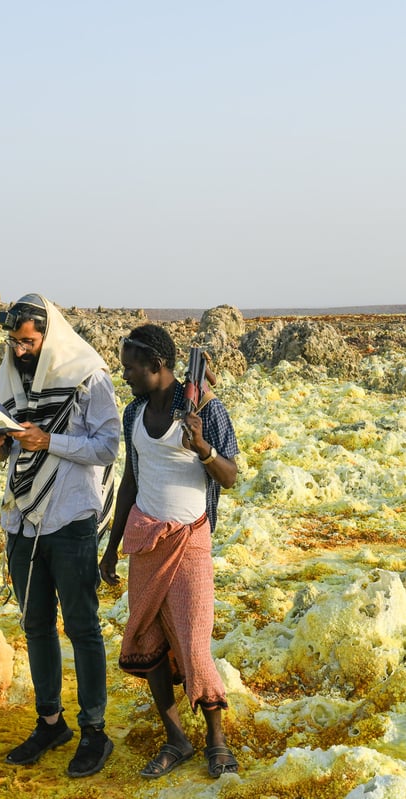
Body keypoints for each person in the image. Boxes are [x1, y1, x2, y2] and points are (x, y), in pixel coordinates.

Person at [0, 293, 120, 778]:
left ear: (48, 335)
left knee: (82, 627)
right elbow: (6, 449)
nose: (19, 351)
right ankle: (50, 722)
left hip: (70, 519)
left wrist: (50, 441)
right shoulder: (13, 377)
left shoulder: (87, 376)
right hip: (22, 519)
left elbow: (107, 446)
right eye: (14, 342)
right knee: (35, 625)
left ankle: (95, 732)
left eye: (27, 341)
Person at [100, 323, 240, 779]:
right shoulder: (133, 413)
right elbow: (132, 481)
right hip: (144, 541)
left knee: (196, 643)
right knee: (148, 638)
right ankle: (176, 738)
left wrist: (201, 447)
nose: (126, 376)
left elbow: (230, 475)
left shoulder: (203, 408)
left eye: (131, 368)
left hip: (190, 540)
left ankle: (216, 739)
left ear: (157, 366)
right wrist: (111, 546)